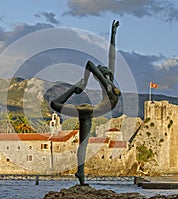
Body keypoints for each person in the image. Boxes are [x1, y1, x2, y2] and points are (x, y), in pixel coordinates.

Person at [50, 20, 121, 185]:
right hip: (89, 110)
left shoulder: (109, 83)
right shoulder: (107, 84)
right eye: (103, 70)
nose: (106, 68)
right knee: (55, 105)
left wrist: (113, 34)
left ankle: (80, 175)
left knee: (83, 145)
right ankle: (75, 88)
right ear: (100, 75)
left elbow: (112, 56)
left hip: (90, 111)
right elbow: (90, 64)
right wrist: (84, 84)